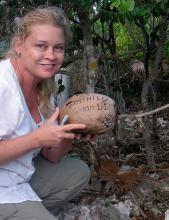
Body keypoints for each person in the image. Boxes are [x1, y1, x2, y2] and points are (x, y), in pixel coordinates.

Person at [0, 6, 95, 220]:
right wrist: (36, 139)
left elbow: (51, 155)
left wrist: (69, 132)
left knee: (77, 173)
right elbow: (38, 141)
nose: (51, 56)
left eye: (58, 48)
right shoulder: (3, 85)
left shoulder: (43, 89)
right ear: (19, 45)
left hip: (18, 178)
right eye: (41, 46)